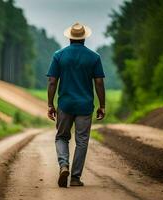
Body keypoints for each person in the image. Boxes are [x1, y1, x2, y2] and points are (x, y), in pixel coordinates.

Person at [47, 22, 106, 188]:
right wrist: (102, 105)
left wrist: (50, 104)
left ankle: (63, 165)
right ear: (84, 38)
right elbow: (99, 82)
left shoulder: (59, 55)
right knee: (82, 141)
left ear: (70, 38)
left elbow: (52, 81)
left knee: (61, 137)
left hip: (65, 104)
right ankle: (75, 178)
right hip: (85, 106)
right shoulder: (94, 57)